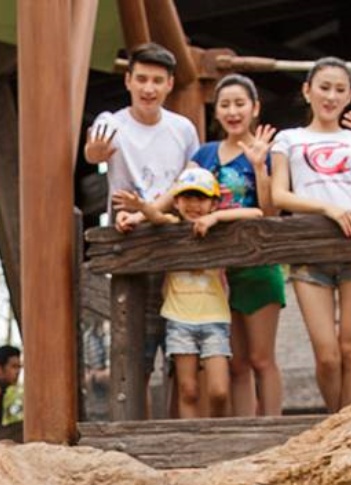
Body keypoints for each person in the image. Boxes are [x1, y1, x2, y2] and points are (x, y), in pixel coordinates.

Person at [270, 57, 351, 413]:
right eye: (324, 87)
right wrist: (327, 209)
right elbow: (279, 196)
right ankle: (336, 422)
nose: (330, 96)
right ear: (307, 90)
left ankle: (350, 428)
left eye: (339, 90)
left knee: (350, 349)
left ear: (349, 97)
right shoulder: (289, 139)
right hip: (310, 249)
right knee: (327, 354)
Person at [87, 42, 200, 410]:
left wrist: (149, 210)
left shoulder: (182, 129)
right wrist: (96, 155)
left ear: (169, 84)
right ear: (128, 81)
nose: (148, 88)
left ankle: (176, 435)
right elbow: (93, 150)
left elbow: (190, 180)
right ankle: (138, 431)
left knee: (181, 351)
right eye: (141, 79)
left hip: (174, 239)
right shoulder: (112, 123)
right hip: (130, 243)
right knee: (134, 351)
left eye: (156, 80)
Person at [114, 165, 264, 417]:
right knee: (188, 388)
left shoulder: (219, 231)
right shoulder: (172, 225)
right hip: (179, 319)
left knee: (218, 390)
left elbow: (257, 213)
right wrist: (141, 207)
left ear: (214, 203)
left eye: (201, 198)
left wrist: (215, 218)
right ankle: (189, 434)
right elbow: (156, 217)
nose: (194, 205)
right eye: (187, 197)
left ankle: (216, 433)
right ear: (176, 201)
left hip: (215, 318)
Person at [186, 74, 285, 416]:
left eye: (240, 104)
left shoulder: (269, 154)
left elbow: (271, 212)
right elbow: (182, 199)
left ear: (255, 108)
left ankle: (273, 429)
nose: (232, 111)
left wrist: (259, 167)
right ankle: (245, 431)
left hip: (257, 264)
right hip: (215, 271)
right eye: (225, 105)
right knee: (238, 363)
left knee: (261, 357)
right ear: (216, 112)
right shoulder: (204, 154)